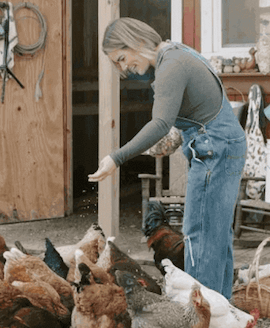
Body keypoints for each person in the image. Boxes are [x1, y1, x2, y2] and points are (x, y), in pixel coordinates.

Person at [88, 18, 246, 299]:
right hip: (224, 143)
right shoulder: (178, 52)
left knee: (199, 233)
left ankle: (202, 314)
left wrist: (116, 157)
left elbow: (160, 123)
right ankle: (222, 308)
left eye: (122, 58)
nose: (123, 68)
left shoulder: (170, 67)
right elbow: (188, 114)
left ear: (136, 41)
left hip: (214, 149)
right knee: (217, 233)